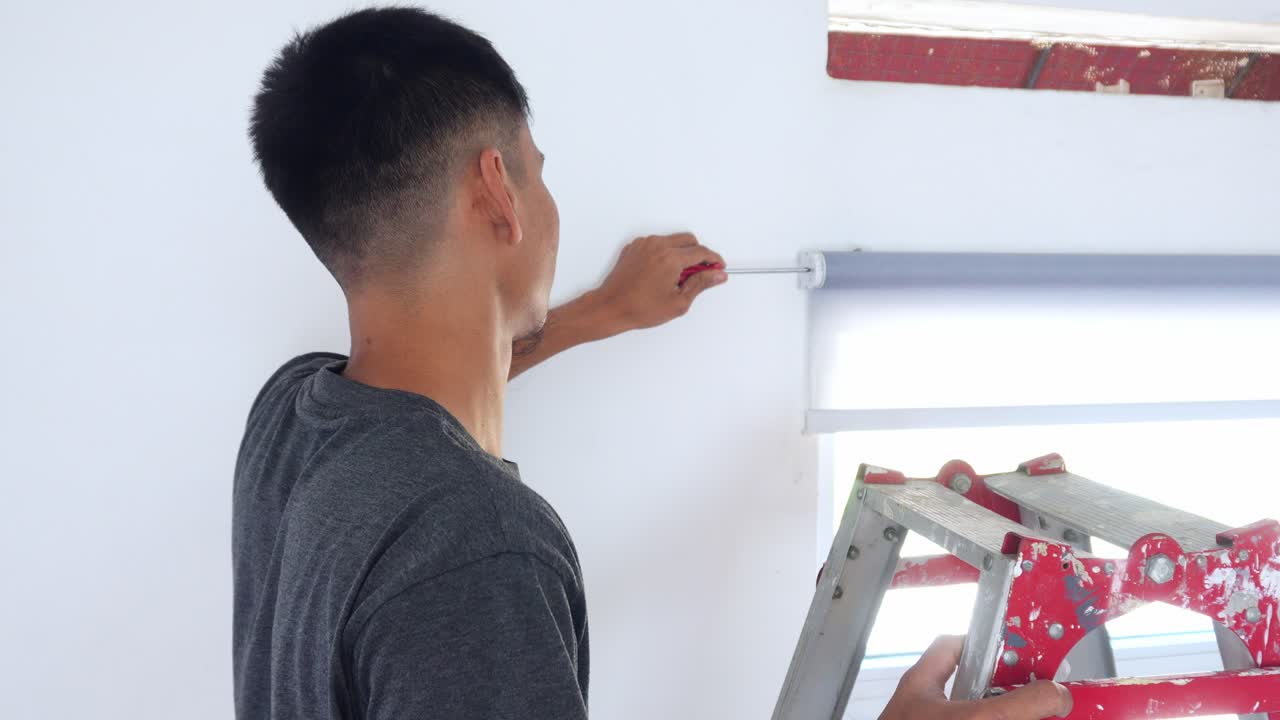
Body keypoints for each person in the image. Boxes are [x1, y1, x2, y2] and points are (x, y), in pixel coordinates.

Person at [234, 7, 1074, 720]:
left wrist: (601, 313)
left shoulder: (295, 417)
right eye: (538, 174)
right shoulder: (474, 549)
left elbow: (427, 395)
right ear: (497, 191)